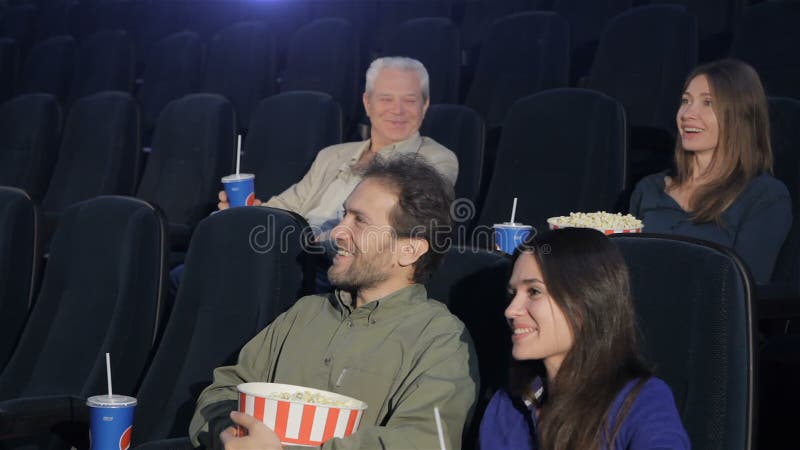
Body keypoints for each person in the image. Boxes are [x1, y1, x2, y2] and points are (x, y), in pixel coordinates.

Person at [189, 155, 479, 449]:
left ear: (408, 250)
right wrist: (228, 433)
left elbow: (422, 442)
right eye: (344, 216)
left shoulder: (441, 341)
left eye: (360, 221)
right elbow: (226, 389)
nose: (338, 232)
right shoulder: (306, 312)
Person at [479, 228, 690, 450]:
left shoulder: (640, 402)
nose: (511, 310)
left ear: (584, 302)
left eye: (534, 292)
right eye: (513, 294)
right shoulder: (508, 406)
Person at [217, 56, 458, 236]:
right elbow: (287, 206)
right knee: (192, 269)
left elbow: (394, 225)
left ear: (424, 106)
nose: (397, 110)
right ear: (367, 103)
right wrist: (246, 214)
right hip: (292, 254)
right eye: (386, 99)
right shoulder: (332, 155)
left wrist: (302, 242)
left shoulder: (436, 159)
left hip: (344, 265)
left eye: (409, 100)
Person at [629, 58, 791, 284]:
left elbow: (744, 291)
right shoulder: (649, 188)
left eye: (708, 103)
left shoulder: (765, 196)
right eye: (686, 101)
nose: (687, 114)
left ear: (739, 116)